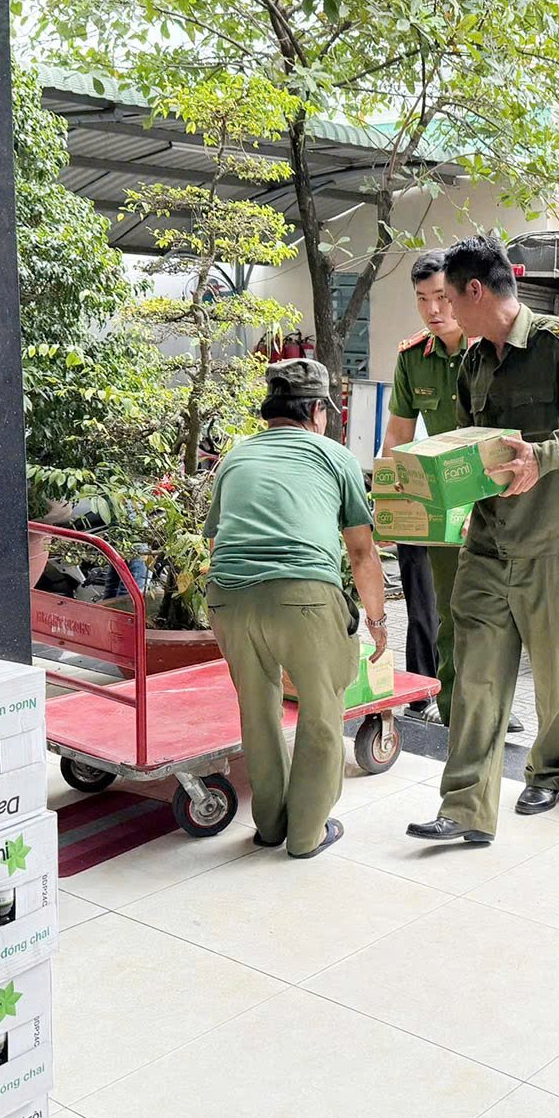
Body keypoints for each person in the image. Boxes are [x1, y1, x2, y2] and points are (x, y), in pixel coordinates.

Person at [407, 234, 559, 844]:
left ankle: (550, 770)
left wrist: (544, 455)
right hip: (489, 546)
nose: (442, 309)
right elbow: (477, 447)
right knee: (475, 674)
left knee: (557, 677)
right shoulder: (474, 362)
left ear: (476, 291)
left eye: (449, 297)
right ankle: (465, 809)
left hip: (556, 547)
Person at [204, 359, 390, 859]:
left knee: (258, 708)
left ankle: (268, 826)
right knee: (323, 707)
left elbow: (219, 536)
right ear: (316, 410)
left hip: (228, 596)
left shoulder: (235, 459)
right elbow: (361, 552)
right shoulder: (334, 455)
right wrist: (376, 620)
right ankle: (307, 834)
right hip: (304, 594)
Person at [381, 251, 521, 735]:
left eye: (442, 297)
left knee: (497, 608)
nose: (434, 310)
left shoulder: (490, 349)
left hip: (497, 495)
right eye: (422, 300)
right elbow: (397, 437)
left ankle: (494, 704)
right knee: (446, 607)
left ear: (463, 292)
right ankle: (453, 707)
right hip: (443, 501)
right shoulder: (412, 358)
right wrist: (391, 503)